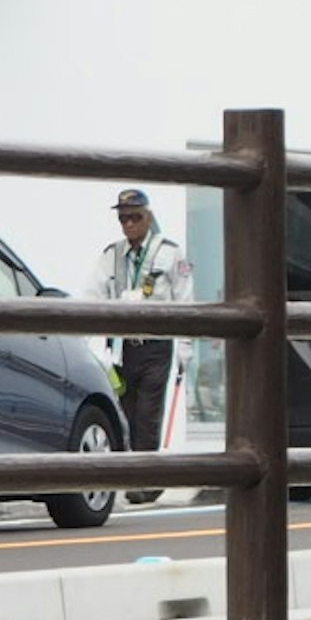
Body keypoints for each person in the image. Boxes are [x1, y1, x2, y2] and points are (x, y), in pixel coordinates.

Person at [92, 189, 189, 500]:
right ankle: (139, 476)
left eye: (135, 216)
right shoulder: (112, 255)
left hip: (156, 345)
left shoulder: (169, 253)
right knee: (127, 413)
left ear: (148, 217)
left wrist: (185, 348)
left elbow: (185, 302)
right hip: (122, 348)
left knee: (147, 415)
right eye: (123, 218)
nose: (128, 224)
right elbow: (93, 295)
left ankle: (146, 484)